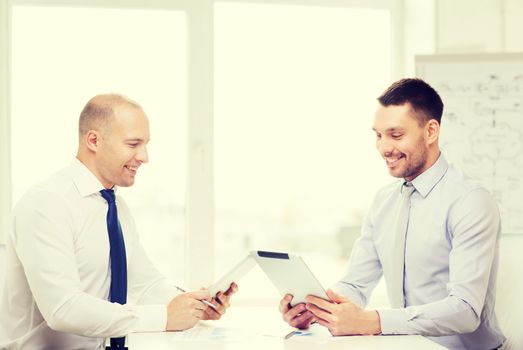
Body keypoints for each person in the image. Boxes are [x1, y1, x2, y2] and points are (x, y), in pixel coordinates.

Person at [278, 78, 505, 350]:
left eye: (396, 135)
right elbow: (355, 284)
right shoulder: (384, 201)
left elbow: (465, 311)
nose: (384, 148)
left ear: (431, 131)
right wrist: (318, 311)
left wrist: (372, 322)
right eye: (378, 135)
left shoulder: (470, 201)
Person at [0, 94, 237, 349]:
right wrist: (166, 317)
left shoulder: (115, 207)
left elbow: (145, 284)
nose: (144, 157)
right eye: (133, 144)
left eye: (145, 144)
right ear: (94, 140)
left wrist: (194, 305)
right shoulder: (46, 204)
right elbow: (63, 308)